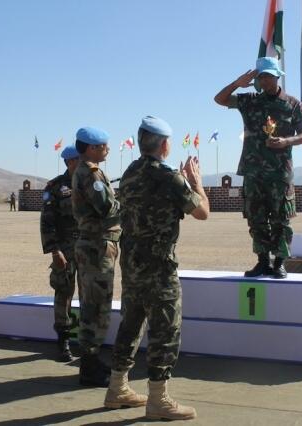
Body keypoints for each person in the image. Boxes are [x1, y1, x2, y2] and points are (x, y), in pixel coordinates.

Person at [104, 116, 209, 421]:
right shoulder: (167, 177)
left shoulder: (131, 172)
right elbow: (202, 211)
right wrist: (195, 181)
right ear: (164, 145)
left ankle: (117, 388)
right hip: (159, 266)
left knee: (131, 323)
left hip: (133, 263)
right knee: (165, 328)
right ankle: (158, 399)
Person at [214, 56, 302, 279]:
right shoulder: (250, 101)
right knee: (256, 218)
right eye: (261, 77)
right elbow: (219, 99)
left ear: (278, 77)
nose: (265, 81)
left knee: (280, 219)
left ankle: (279, 262)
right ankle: (262, 261)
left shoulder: (292, 104)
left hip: (279, 172)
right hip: (252, 170)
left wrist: (286, 141)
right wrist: (238, 83)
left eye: (269, 76)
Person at [71, 126, 121, 387]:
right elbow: (106, 208)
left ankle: (91, 362)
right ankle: (89, 367)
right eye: (103, 145)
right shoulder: (91, 174)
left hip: (95, 245)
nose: (107, 149)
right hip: (96, 247)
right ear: (91, 148)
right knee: (96, 306)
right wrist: (128, 199)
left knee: (95, 304)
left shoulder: (89, 171)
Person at [40, 146, 80, 362]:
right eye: (80, 159)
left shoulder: (92, 183)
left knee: (91, 294)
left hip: (89, 248)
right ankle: (63, 341)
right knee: (63, 293)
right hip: (65, 249)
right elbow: (47, 221)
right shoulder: (55, 187)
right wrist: (54, 250)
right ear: (71, 161)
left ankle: (89, 343)